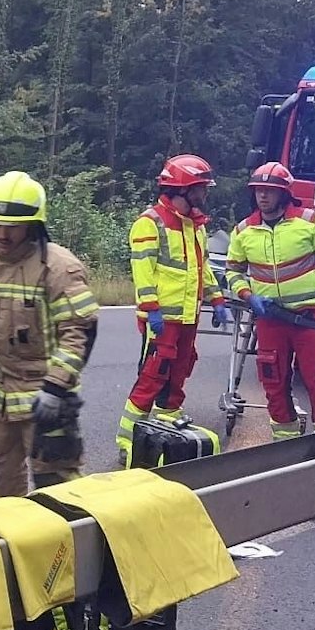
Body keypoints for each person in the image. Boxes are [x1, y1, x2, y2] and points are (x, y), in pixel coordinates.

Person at [0, 172, 100, 497]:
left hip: (46, 394)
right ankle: (11, 542)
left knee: (57, 482)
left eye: (12, 226)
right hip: (1, 393)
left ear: (33, 225)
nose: (2, 233)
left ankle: (75, 542)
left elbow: (78, 332)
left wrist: (55, 387)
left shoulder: (59, 269)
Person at [225, 161, 315, 440]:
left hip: (312, 319)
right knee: (273, 382)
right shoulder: (243, 231)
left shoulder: (311, 222)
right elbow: (233, 272)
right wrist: (248, 295)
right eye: (259, 190)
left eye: (269, 191)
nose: (263, 196)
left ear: (284, 193)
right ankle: (285, 442)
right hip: (271, 319)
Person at [119, 153, 228, 461]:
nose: (205, 194)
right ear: (184, 189)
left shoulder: (196, 225)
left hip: (187, 315)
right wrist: (151, 308)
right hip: (162, 318)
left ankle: (166, 425)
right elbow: (143, 270)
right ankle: (129, 438)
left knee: (180, 371)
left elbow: (202, 267)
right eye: (201, 188)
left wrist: (216, 298)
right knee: (153, 375)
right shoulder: (150, 223)